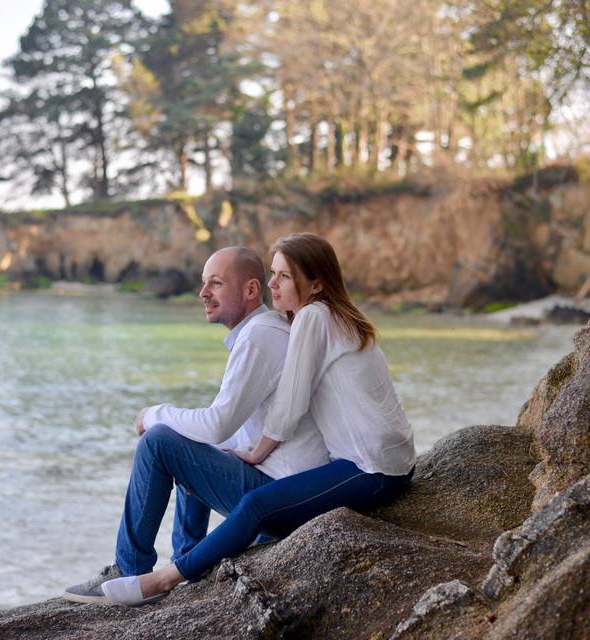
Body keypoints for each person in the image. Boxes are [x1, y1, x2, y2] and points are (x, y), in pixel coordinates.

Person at [100, 232, 416, 606]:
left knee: (253, 504)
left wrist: (257, 451)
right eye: (273, 273)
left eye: (283, 276)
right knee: (201, 446)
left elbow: (291, 404)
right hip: (391, 461)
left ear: (315, 283)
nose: (272, 284)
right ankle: (186, 562)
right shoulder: (331, 316)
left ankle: (163, 578)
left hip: (372, 468)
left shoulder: (312, 318)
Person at [62, 246, 329, 603]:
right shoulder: (263, 331)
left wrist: (153, 413)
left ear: (251, 290)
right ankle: (190, 558)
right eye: (204, 284)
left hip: (281, 496)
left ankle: (130, 571)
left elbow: (217, 424)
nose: (203, 293)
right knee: (189, 441)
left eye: (215, 284)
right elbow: (223, 430)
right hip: (286, 485)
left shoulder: (259, 337)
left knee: (159, 441)